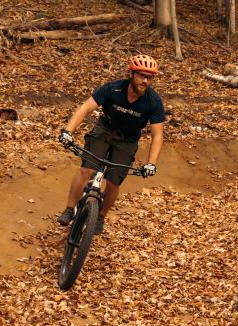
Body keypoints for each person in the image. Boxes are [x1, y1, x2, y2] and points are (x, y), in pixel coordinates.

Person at [57, 54, 165, 235]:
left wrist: (151, 163)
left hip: (128, 140)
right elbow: (85, 108)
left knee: (114, 182)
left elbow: (157, 135)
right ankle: (69, 209)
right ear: (131, 74)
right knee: (87, 170)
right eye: (141, 75)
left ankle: (100, 217)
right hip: (104, 131)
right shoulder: (113, 89)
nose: (145, 81)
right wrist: (68, 131)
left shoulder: (153, 101)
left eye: (149, 77)